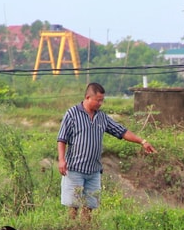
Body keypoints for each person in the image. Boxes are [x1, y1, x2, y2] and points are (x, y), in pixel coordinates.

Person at [57, 82, 155, 219]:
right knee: (73, 206)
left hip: (94, 171)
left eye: (102, 100)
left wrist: (142, 141)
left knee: (89, 207)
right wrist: (61, 160)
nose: (100, 103)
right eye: (98, 100)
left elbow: (122, 132)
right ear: (87, 97)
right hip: (74, 169)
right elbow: (62, 139)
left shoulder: (102, 117)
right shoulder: (72, 114)